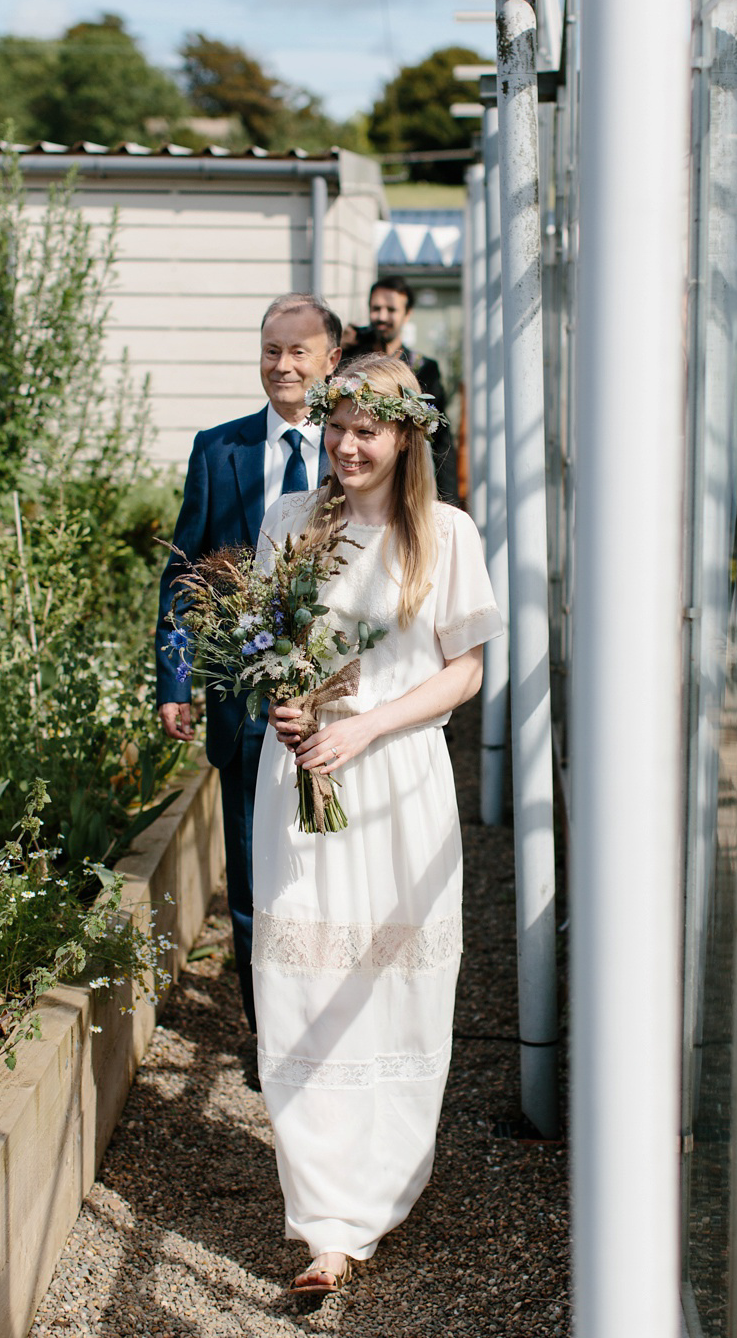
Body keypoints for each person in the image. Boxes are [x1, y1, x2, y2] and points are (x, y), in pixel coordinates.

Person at [252, 354, 502, 1292]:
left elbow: (463, 672)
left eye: (369, 429)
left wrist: (364, 727)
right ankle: (323, 1222)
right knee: (299, 988)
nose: (349, 445)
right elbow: (268, 643)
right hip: (301, 781)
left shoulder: (446, 532)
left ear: (406, 437)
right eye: (339, 426)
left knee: (390, 988)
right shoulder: (289, 522)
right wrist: (280, 705)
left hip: (395, 779)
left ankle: (378, 1194)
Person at [155, 293, 343, 1069]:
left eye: (299, 352)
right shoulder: (219, 448)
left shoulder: (359, 446)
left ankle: (336, 1025)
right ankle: (271, 1041)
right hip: (242, 703)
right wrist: (174, 680)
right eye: (271, 350)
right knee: (251, 878)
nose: (282, 366)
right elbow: (183, 572)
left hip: (336, 701)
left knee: (333, 870)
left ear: (332, 357)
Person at [342, 274, 462, 507]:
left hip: (408, 480)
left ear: (407, 315)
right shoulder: (351, 361)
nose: (382, 316)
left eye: (391, 309)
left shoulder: (425, 368)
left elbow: (441, 439)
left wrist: (450, 501)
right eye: (376, 308)